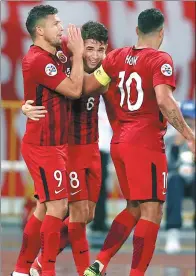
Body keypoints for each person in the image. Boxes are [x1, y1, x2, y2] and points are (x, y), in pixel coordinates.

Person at [82, 8, 195, 276]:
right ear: (162, 33)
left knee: (134, 207)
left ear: (136, 31)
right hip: (145, 144)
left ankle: (99, 263)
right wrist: (190, 136)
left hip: (120, 143)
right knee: (152, 212)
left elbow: (87, 87)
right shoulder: (160, 60)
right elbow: (165, 101)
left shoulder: (115, 58)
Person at [21, 21, 108, 276]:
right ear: (80, 46)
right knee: (68, 212)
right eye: (89, 48)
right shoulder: (66, 61)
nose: (94, 55)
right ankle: (45, 267)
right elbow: (44, 80)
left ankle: (37, 264)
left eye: (100, 50)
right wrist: (26, 106)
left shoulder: (107, 65)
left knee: (87, 214)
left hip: (92, 146)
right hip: (66, 147)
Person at [12, 4, 84, 276]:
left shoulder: (57, 54)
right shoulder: (38, 60)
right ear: (39, 30)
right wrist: (77, 55)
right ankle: (45, 270)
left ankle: (21, 270)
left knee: (45, 206)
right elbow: (75, 90)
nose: (61, 27)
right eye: (55, 23)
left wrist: (23, 104)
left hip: (58, 144)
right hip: (42, 145)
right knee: (59, 206)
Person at [164, 100, 196, 254]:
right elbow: (165, 165)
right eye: (185, 118)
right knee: (174, 182)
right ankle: (173, 233)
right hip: (177, 179)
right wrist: (176, 146)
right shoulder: (170, 136)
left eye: (191, 119)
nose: (188, 122)